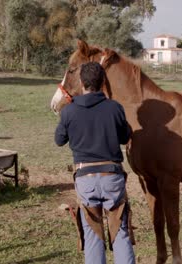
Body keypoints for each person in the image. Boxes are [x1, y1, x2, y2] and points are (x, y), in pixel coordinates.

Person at [55, 62, 135, 264]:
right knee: (120, 232)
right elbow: (126, 137)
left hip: (85, 180)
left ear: (82, 82)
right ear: (102, 82)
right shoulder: (115, 108)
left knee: (93, 236)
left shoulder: (69, 111)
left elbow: (59, 140)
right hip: (113, 178)